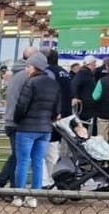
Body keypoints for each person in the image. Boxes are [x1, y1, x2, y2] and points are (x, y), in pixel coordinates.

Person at [12, 52, 60, 208]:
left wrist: (18, 120)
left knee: (23, 162)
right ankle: (34, 197)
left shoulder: (30, 83)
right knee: (38, 162)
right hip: (45, 129)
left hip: (26, 128)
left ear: (35, 67)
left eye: (28, 66)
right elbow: (56, 109)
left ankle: (19, 195)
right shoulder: (53, 84)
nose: (27, 69)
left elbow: (21, 106)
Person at [0, 46, 39, 199]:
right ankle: (4, 188)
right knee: (18, 157)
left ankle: (1, 187)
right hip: (18, 122)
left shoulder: (16, 75)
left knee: (17, 156)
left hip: (12, 120)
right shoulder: (25, 77)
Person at [43, 49, 72, 188]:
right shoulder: (64, 72)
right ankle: (53, 177)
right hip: (65, 114)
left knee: (49, 148)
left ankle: (50, 179)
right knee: (55, 146)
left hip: (54, 115)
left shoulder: (48, 73)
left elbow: (50, 93)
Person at [70, 55, 98, 132]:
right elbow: (74, 85)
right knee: (84, 127)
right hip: (85, 105)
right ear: (91, 64)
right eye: (94, 64)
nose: (95, 66)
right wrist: (75, 97)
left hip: (86, 104)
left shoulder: (86, 73)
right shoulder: (83, 73)